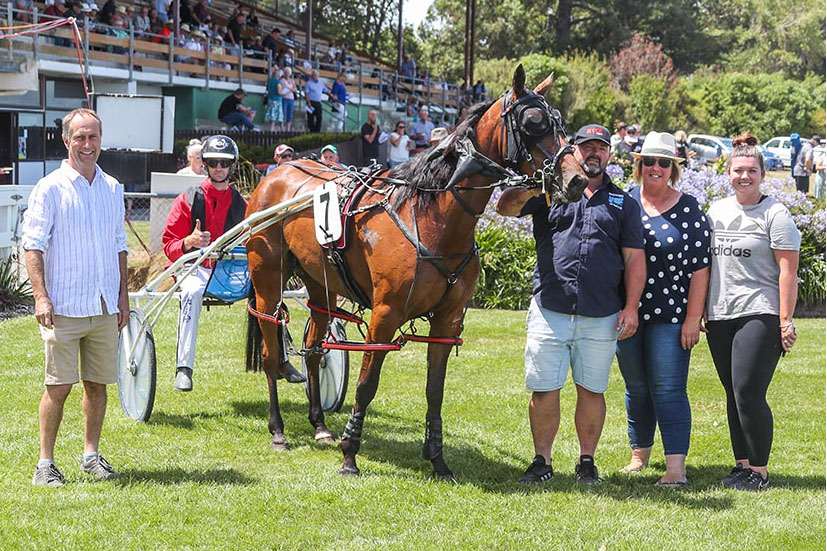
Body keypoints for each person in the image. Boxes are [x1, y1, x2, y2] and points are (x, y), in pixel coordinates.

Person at [495, 124, 646, 485]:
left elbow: (635, 259)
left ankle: (586, 461)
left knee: (592, 389)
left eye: (601, 148)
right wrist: (533, 186)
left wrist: (632, 307)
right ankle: (542, 461)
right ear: (574, 151)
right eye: (587, 147)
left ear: (609, 155)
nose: (594, 153)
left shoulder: (622, 202)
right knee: (545, 387)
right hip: (550, 308)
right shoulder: (550, 193)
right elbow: (504, 207)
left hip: (602, 312)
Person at [22, 108, 128, 487]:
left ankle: (90, 455)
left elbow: (120, 245)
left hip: (102, 305)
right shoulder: (49, 188)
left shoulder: (113, 188)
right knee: (59, 386)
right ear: (66, 140)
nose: (87, 145)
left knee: (97, 385)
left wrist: (122, 298)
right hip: (62, 306)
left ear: (101, 140)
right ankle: (45, 464)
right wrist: (41, 297)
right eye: (80, 137)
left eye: (93, 137)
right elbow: (32, 246)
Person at [614, 132, 711, 486]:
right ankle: (639, 456)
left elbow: (701, 268)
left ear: (673, 168)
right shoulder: (625, 202)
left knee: (669, 389)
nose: (656, 167)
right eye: (649, 161)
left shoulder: (689, 208)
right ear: (639, 165)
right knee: (636, 387)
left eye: (664, 162)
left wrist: (691, 319)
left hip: (671, 316)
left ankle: (676, 469)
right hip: (628, 312)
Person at [706, 134, 801, 491]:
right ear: (727, 173)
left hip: (759, 312)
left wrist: (785, 320)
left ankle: (759, 471)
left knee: (748, 391)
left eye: (751, 171)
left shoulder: (775, 214)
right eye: (738, 170)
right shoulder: (716, 211)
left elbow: (787, 271)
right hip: (720, 314)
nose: (744, 176)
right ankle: (742, 465)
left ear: (762, 174)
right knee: (732, 392)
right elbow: (706, 266)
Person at [265, 67, 284, 132]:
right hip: (277, 100)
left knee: (272, 116)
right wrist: (284, 93)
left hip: (270, 99)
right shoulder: (278, 82)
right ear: (279, 75)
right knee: (277, 116)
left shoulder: (270, 80)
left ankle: (272, 130)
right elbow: (279, 92)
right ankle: (280, 131)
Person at [280, 67, 297, 132]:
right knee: (283, 113)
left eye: (288, 72)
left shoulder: (292, 81)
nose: (287, 74)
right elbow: (281, 88)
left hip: (291, 98)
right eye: (286, 72)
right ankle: (282, 128)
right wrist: (289, 89)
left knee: (290, 113)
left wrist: (290, 89)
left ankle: (288, 128)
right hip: (284, 98)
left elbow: (295, 89)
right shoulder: (282, 80)